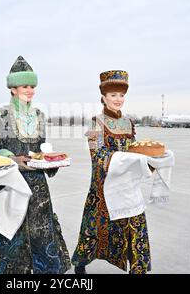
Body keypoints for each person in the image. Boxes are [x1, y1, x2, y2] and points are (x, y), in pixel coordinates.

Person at [0, 55, 71, 274]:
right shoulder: (0, 115)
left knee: (41, 235)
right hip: (11, 185)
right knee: (12, 240)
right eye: (25, 85)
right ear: (13, 88)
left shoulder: (40, 116)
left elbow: (41, 149)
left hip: (38, 188)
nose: (30, 90)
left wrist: (50, 161)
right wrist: (13, 159)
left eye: (32, 86)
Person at [71, 70, 151, 274]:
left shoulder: (129, 122)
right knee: (93, 229)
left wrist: (148, 161)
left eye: (121, 95)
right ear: (104, 97)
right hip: (103, 188)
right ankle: (80, 263)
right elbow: (97, 156)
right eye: (113, 95)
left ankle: (138, 269)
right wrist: (128, 160)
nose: (118, 99)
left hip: (128, 186)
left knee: (135, 225)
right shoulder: (96, 123)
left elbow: (135, 150)